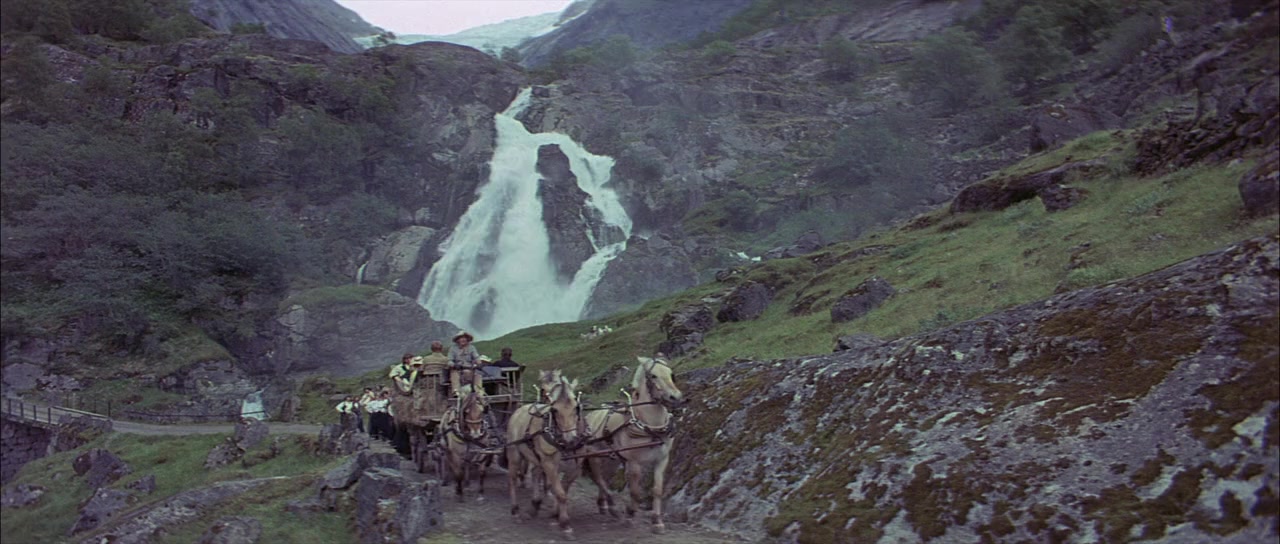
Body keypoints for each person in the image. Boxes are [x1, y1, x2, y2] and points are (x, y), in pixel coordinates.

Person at [448, 331, 482, 396]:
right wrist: (454, 365)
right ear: (458, 340)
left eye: (465, 338)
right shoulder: (452, 349)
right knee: (453, 373)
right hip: (458, 369)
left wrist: (479, 363)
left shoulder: (472, 347)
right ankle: (456, 392)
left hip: (470, 369)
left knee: (478, 374)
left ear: (467, 339)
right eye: (461, 338)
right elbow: (449, 361)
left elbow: (476, 357)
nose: (463, 339)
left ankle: (478, 392)